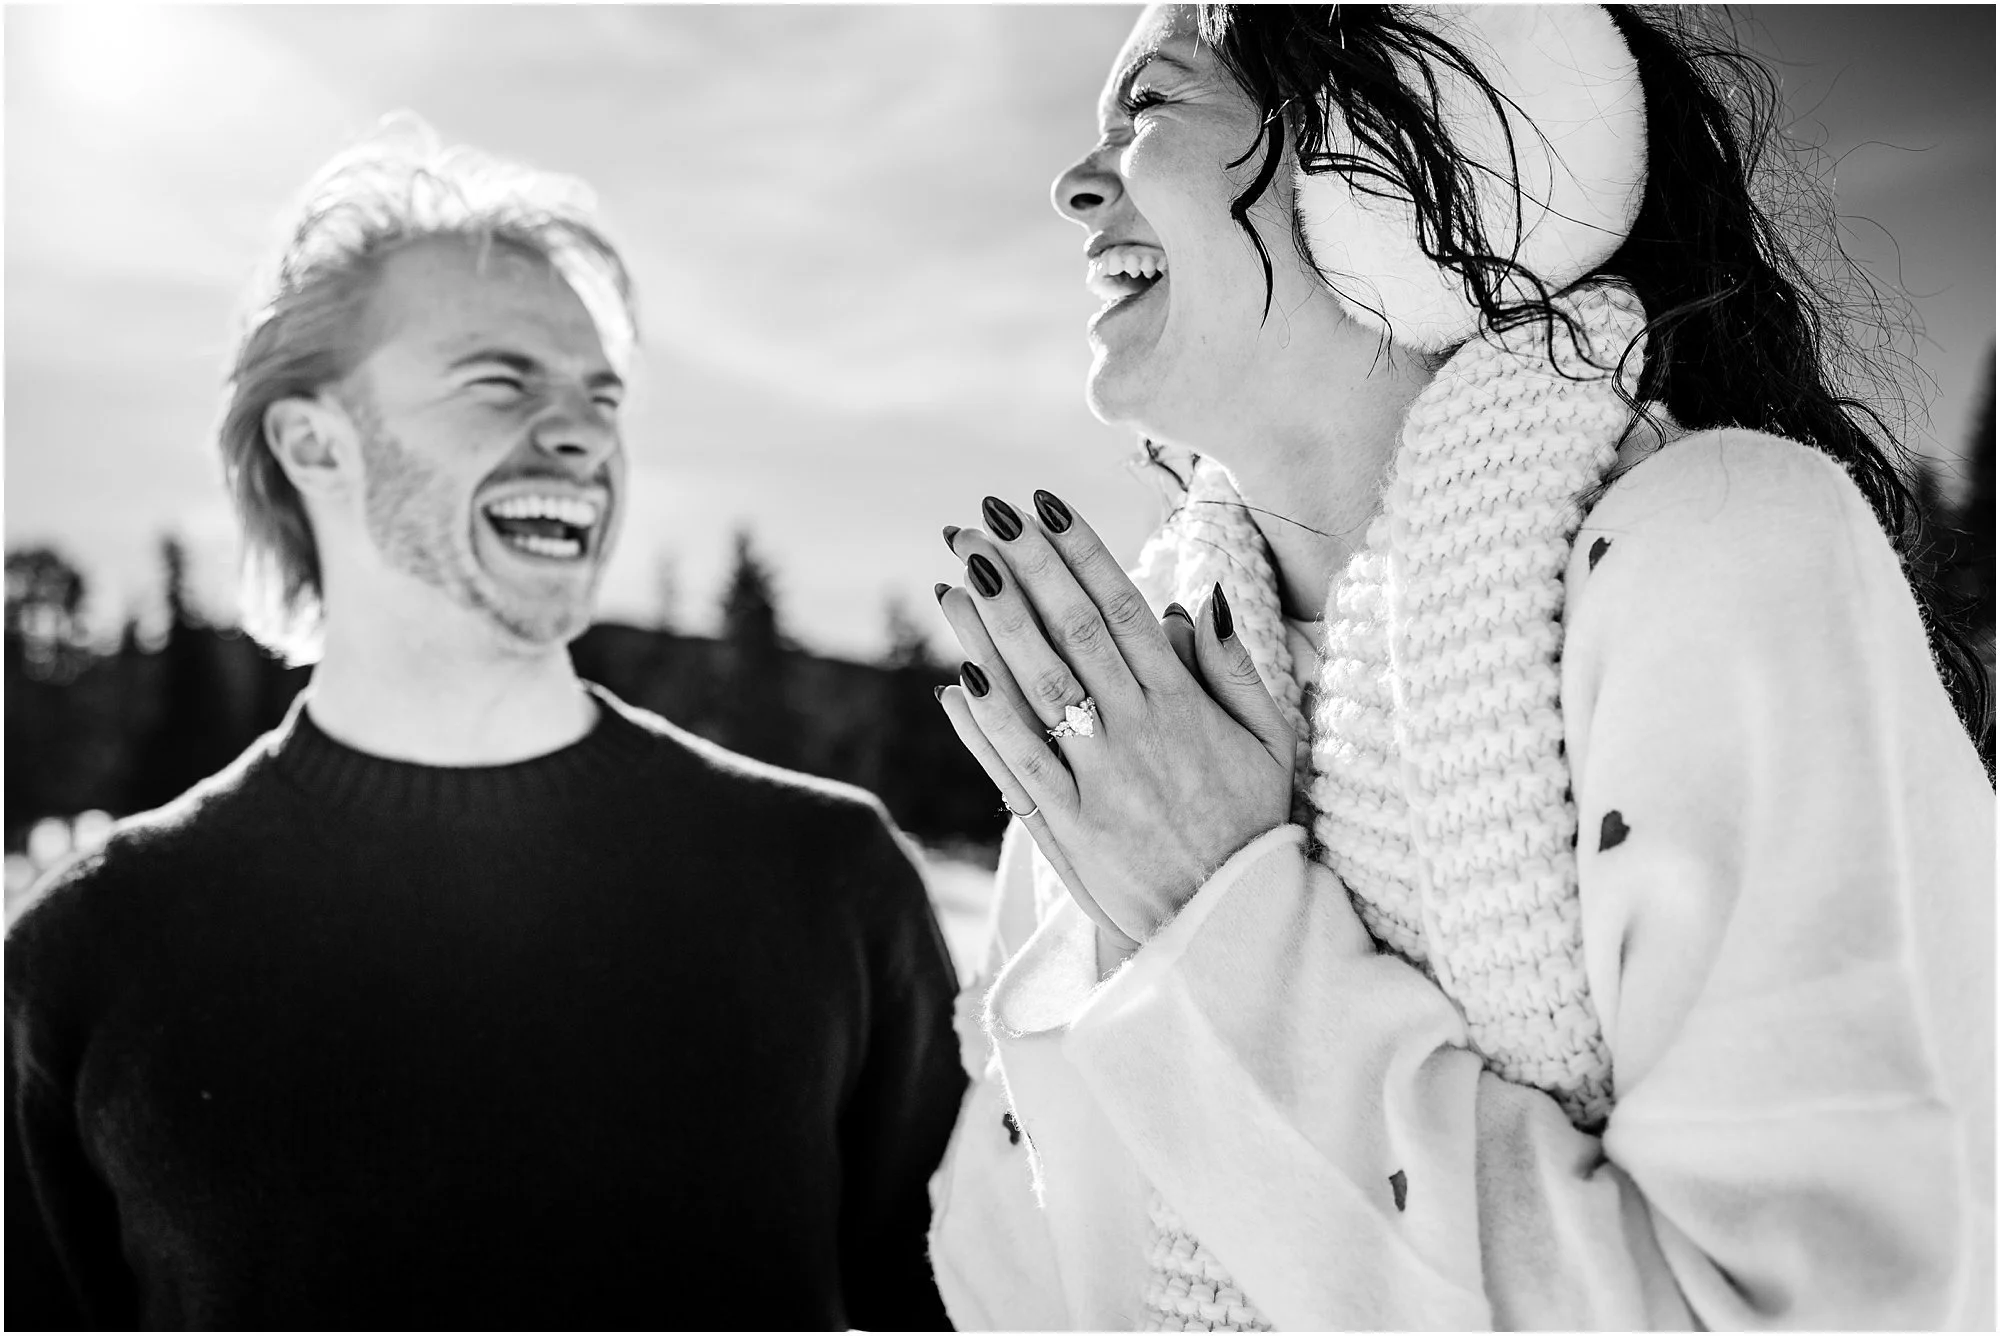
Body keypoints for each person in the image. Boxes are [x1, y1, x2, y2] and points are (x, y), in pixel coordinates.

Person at [925, 4, 1993, 1329]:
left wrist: (1216, 917)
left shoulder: (1719, 552)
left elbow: (1811, 1307)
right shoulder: (1134, 706)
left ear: (1379, 157)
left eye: (1152, 109)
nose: (1074, 183)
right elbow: (1005, 1279)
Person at [5, 119, 964, 1331]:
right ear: (314, 442)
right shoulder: (85, 956)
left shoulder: (829, 883)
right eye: (500, 379)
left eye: (599, 397)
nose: (581, 434)